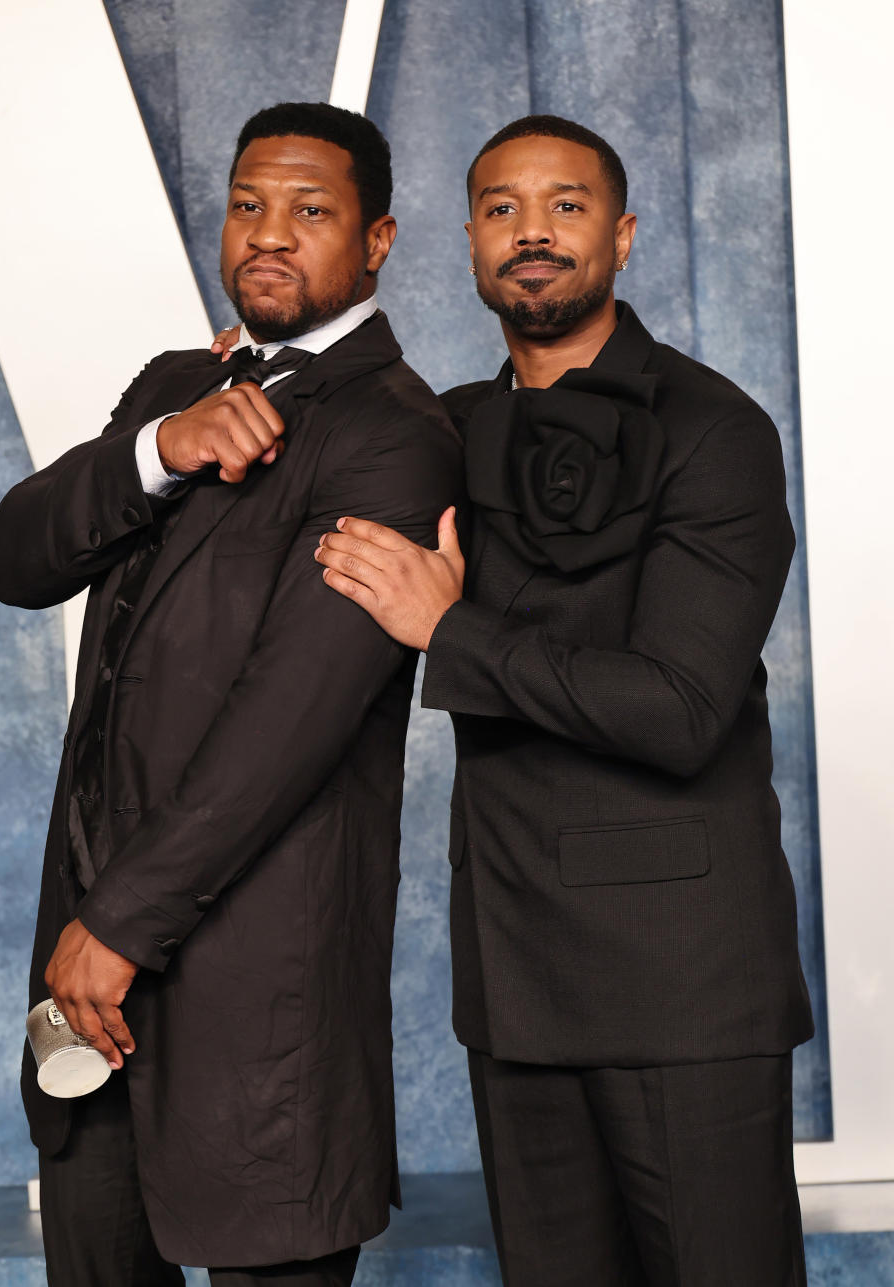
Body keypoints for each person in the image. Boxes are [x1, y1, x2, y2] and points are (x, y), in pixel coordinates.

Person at [314, 114, 813, 1286]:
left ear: (626, 235)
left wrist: (451, 628)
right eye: (501, 209)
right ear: (472, 244)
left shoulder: (716, 430)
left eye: (566, 205)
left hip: (685, 988)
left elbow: (681, 707)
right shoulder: (447, 428)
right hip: (514, 980)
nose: (531, 232)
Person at [0, 101, 460, 1287]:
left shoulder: (395, 434)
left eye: (310, 211)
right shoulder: (176, 383)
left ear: (379, 240)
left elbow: (287, 722)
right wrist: (161, 446)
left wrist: (118, 929)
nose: (268, 234)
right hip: (89, 995)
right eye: (249, 205)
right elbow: (22, 557)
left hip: (251, 997)